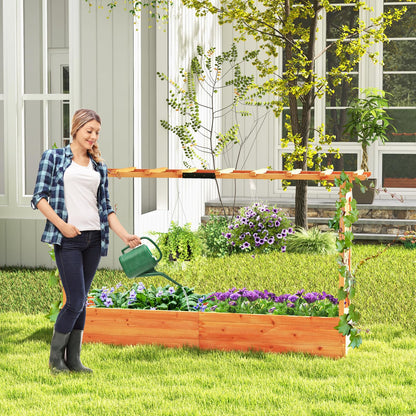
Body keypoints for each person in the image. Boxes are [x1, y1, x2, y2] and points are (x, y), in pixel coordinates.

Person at [31, 109, 141, 374]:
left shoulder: (98, 165)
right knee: (75, 300)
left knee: (82, 300)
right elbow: (39, 198)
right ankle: (55, 360)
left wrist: (124, 234)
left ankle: (74, 360)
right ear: (76, 129)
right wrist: (63, 226)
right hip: (68, 238)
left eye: (97, 133)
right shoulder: (54, 157)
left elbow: (105, 208)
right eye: (89, 131)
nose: (93, 137)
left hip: (94, 238)